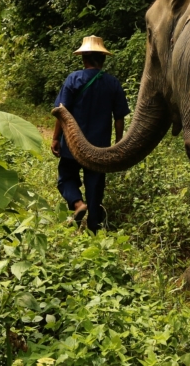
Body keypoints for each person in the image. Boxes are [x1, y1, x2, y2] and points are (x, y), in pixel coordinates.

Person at [50, 36, 130, 232]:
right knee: (95, 186)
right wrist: (118, 143)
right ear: (102, 59)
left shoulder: (73, 79)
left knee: (66, 177)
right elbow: (119, 117)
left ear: (84, 58)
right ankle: (94, 227)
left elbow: (62, 112)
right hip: (99, 147)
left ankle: (78, 204)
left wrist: (55, 138)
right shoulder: (112, 83)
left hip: (72, 144)